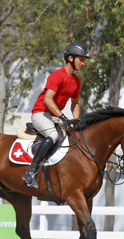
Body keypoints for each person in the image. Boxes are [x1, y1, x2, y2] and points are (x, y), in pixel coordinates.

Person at [23, 42, 89, 189]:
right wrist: (62, 117)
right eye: (81, 59)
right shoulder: (57, 75)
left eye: (84, 60)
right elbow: (48, 99)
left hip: (54, 116)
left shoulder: (76, 81)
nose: (83, 63)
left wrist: (76, 121)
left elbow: (75, 103)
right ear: (70, 58)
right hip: (40, 113)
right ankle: (31, 171)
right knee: (53, 136)